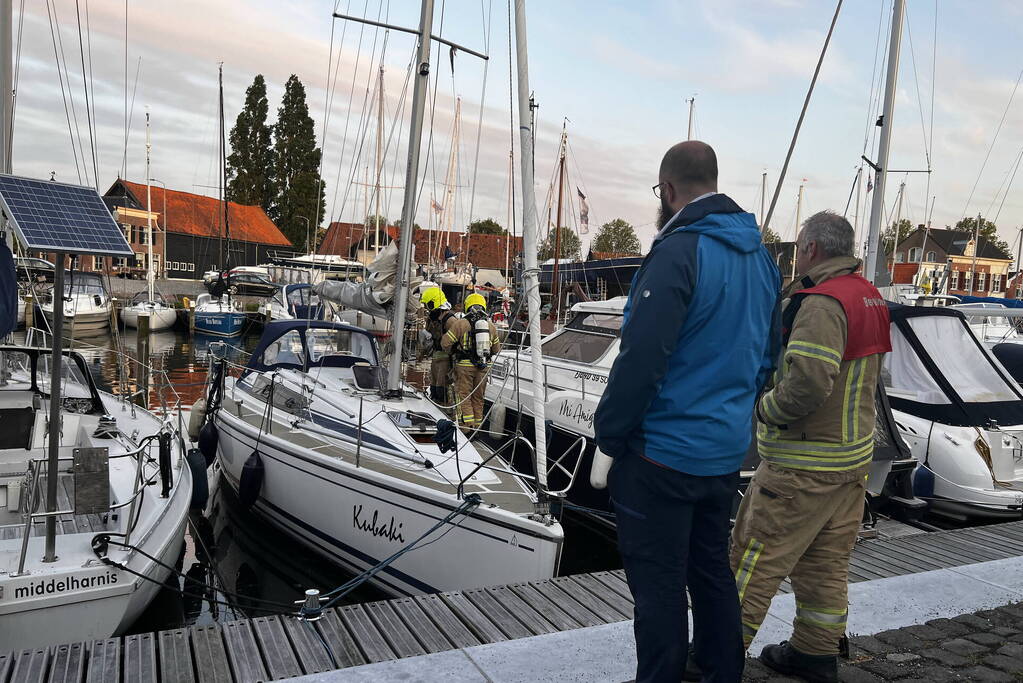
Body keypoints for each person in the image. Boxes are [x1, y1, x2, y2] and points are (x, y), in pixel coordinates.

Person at [593, 140, 780, 683]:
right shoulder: (763, 259)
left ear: (668, 191)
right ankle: (723, 673)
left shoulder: (678, 252)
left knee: (659, 588)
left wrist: (610, 435)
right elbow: (770, 357)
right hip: (723, 454)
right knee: (712, 573)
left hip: (662, 456)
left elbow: (642, 360)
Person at [733, 211, 891, 683]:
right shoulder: (868, 296)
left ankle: (711, 658)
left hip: (802, 465)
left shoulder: (821, 303)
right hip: (850, 463)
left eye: (799, 246)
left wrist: (764, 411)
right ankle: (815, 654)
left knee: (752, 561)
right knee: (825, 565)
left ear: (813, 250)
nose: (797, 253)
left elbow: (806, 384)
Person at [442, 292, 501, 431]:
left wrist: (453, 351)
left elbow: (445, 343)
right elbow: (496, 349)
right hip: (484, 368)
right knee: (478, 399)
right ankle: (477, 429)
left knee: (464, 397)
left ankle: (466, 428)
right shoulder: (491, 326)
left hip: (464, 366)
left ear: (467, 306)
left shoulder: (461, 324)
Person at [419, 287, 457, 406]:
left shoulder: (450, 320)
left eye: (428, 305)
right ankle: (435, 408)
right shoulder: (433, 319)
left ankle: (446, 411)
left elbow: (457, 341)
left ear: (434, 302)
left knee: (443, 390)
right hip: (436, 358)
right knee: (434, 389)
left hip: (446, 360)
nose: (427, 309)